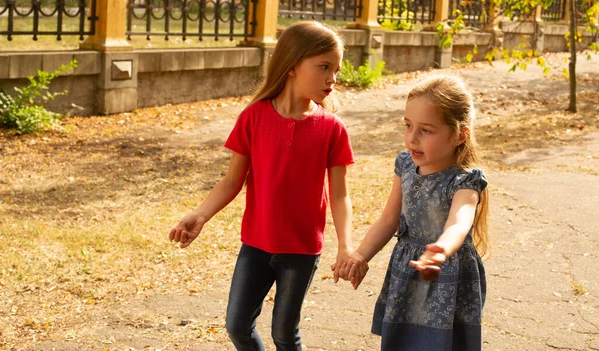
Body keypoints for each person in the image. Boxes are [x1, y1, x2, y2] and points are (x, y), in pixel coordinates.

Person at [169, 20, 357, 351]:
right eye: (324, 67)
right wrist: (200, 215)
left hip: (301, 250)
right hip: (256, 245)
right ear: (292, 65)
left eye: (336, 70)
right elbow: (231, 181)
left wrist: (345, 245)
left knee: (285, 334)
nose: (333, 79)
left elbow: (340, 195)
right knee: (237, 325)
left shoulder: (332, 129)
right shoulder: (253, 117)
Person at [340, 75, 489, 350]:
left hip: (446, 275)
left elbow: (459, 222)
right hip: (407, 271)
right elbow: (389, 219)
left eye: (426, 130)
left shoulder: (465, 181)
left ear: (460, 135)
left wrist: (440, 251)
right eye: (408, 126)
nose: (412, 138)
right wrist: (361, 256)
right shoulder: (406, 165)